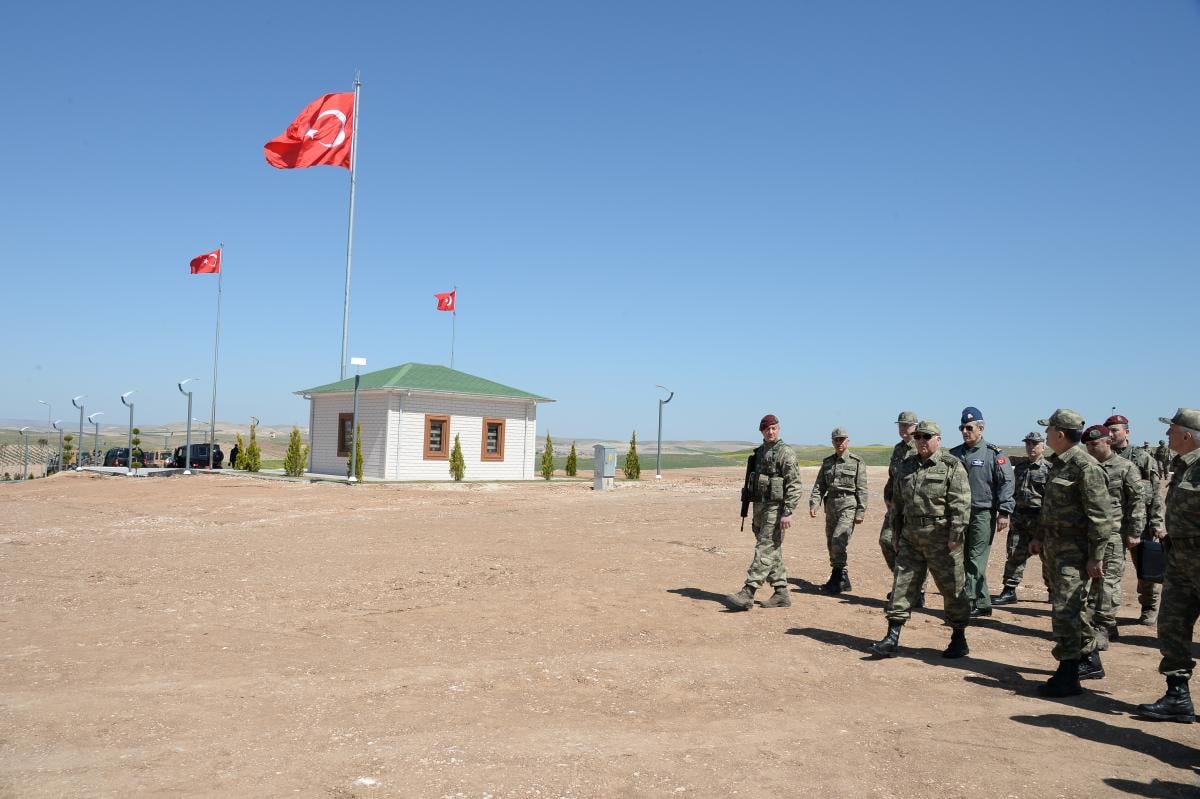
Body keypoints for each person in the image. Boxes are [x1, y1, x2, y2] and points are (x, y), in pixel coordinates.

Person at [1029, 409, 1113, 697]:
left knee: (1065, 611)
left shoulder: (1085, 467)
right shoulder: (1059, 464)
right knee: (1071, 608)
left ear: (1060, 434)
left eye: (1048, 430)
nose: (1045, 435)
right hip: (1055, 549)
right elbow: (1050, 508)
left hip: (1075, 553)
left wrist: (1096, 556)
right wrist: (1039, 537)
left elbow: (1101, 517)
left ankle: (1068, 675)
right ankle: (1088, 658)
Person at [870, 420, 972, 659]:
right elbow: (897, 504)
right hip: (911, 536)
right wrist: (895, 534)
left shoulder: (951, 466)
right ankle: (892, 636)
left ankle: (959, 638)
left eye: (927, 437)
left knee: (952, 589)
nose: (922, 441)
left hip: (941, 537)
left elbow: (961, 504)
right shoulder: (906, 467)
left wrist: (955, 537)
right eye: (918, 437)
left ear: (938, 439)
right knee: (901, 585)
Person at [1137, 408, 1200, 723]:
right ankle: (1177, 696)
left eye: (1171, 430)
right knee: (1172, 626)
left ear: (1187, 435)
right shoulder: (1183, 466)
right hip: (1179, 559)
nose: (1166, 435)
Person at [726, 414, 802, 610]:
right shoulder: (759, 453)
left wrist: (788, 511)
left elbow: (794, 485)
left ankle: (748, 592)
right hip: (759, 506)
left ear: (779, 429)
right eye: (767, 429)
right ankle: (781, 592)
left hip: (776, 509)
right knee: (771, 548)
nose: (771, 432)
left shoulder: (786, 453)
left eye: (774, 428)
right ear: (762, 431)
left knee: (765, 547)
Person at [1082, 425, 1145, 650]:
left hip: (1114, 535)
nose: (1090, 448)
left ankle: (1104, 626)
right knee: (1090, 581)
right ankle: (1092, 622)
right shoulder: (1087, 466)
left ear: (1108, 442)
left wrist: (1135, 532)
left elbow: (1137, 500)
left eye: (1094, 444)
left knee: (1108, 581)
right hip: (1089, 534)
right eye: (1087, 445)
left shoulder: (1125, 467)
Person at [948, 407, 1015, 618]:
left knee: (976, 558)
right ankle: (983, 603)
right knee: (962, 558)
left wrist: (1004, 512)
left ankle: (972, 601)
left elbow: (1006, 482)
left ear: (981, 428)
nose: (965, 431)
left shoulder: (993, 454)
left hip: (982, 514)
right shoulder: (954, 454)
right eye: (962, 428)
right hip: (959, 514)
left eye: (969, 427)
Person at [1107, 414, 1167, 625]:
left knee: (1145, 567)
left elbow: (1155, 492)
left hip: (1140, 521)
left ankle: (1149, 606)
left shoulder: (1141, 457)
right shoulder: (1103, 456)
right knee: (1110, 569)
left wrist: (1157, 523)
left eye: (1116, 430)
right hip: (1113, 522)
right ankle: (1107, 613)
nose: (1112, 434)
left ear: (1127, 432)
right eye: (1110, 430)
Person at [994, 432, 1052, 606]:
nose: (1031, 447)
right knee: (1014, 555)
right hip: (1020, 519)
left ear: (1043, 446)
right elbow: (1011, 492)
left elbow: (1051, 498)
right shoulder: (1020, 468)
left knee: (1048, 558)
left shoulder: (1049, 469)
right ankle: (1009, 591)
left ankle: (1054, 592)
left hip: (1040, 519)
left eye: (1035, 444)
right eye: (1028, 444)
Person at [810, 427, 868, 594]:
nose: (839, 442)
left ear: (848, 441)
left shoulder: (856, 462)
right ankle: (842, 578)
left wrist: (861, 511)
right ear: (832, 441)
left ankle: (838, 577)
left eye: (842, 439)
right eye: (836, 439)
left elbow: (862, 489)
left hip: (848, 504)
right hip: (831, 505)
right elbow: (819, 485)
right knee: (831, 542)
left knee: (838, 540)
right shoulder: (828, 462)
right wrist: (815, 503)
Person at [880, 411, 918, 573]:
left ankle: (916, 592)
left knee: (914, 550)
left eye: (907, 425)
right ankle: (901, 583)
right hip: (895, 507)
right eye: (901, 425)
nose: (903, 428)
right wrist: (887, 498)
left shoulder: (920, 448)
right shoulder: (898, 449)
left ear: (915, 426)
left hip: (912, 508)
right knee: (886, 540)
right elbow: (892, 477)